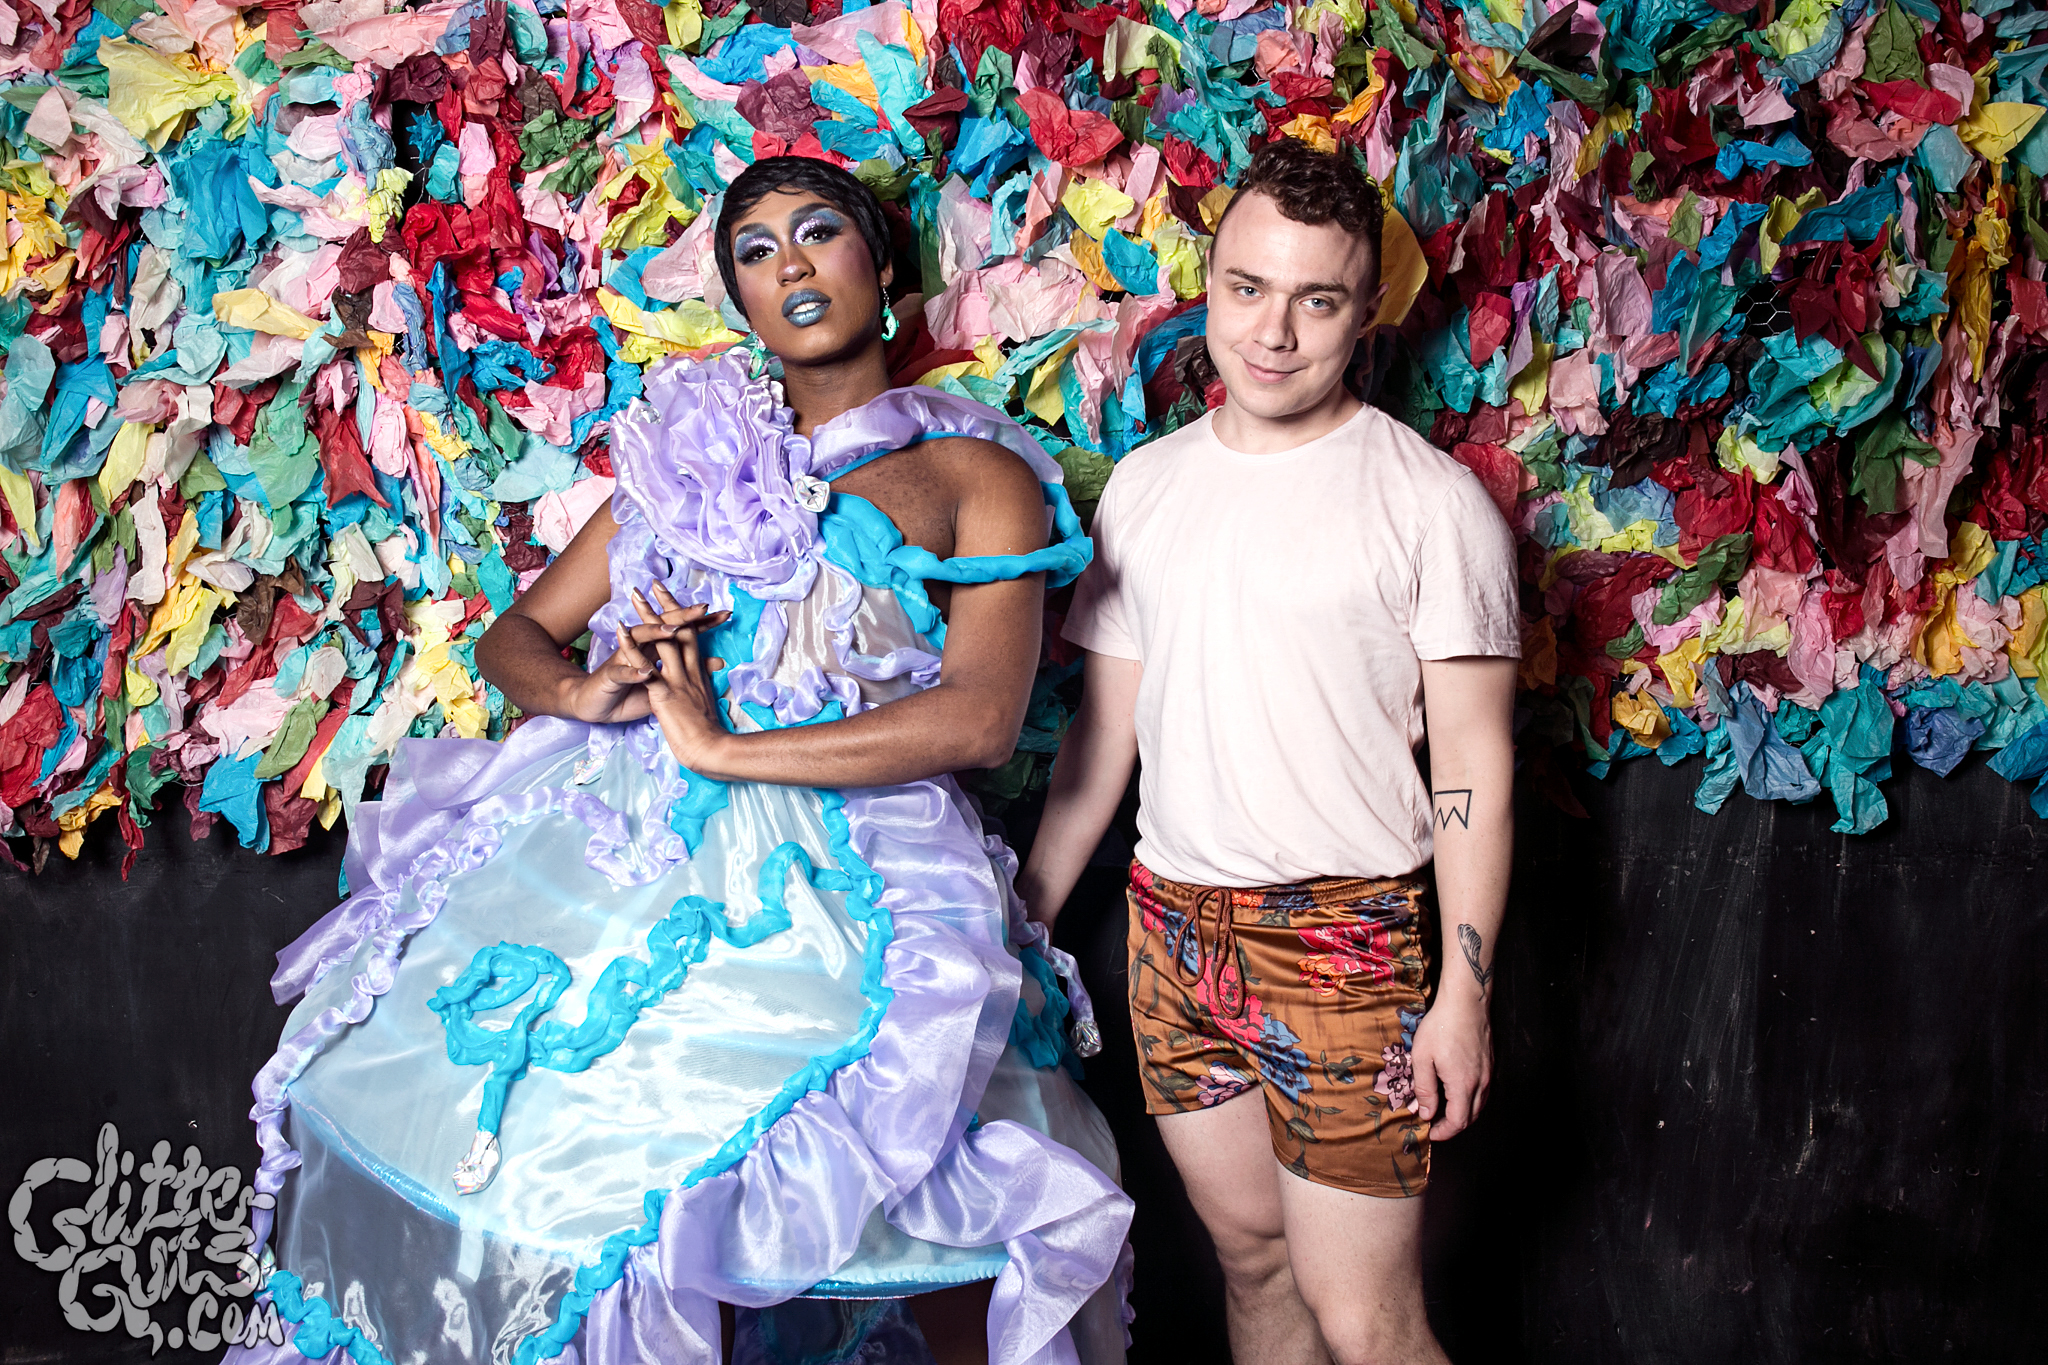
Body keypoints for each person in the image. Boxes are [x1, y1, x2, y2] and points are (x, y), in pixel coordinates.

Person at [227, 156, 1132, 1365]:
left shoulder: (977, 475)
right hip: (628, 855)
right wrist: (582, 689)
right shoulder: (687, 458)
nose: (791, 264)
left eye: (818, 233)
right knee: (589, 1180)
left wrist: (725, 742)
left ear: (884, 267)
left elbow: (977, 721)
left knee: (909, 1192)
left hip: (854, 882)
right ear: (739, 299)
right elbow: (515, 635)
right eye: (755, 251)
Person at [1016, 140, 1520, 1365]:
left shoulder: (1430, 501)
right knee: (1251, 1265)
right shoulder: (1144, 487)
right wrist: (1019, 919)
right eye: (1247, 288)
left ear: (1366, 313)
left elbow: (1472, 762)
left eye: (1317, 300)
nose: (1273, 333)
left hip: (1340, 941)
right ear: (1209, 283)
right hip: (1170, 931)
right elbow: (1101, 738)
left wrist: (1462, 996)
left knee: (1366, 1320)